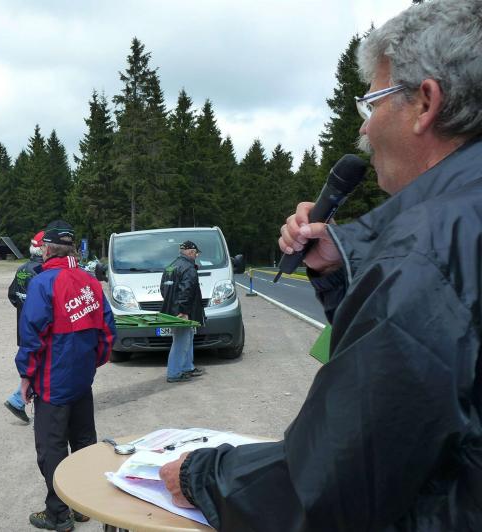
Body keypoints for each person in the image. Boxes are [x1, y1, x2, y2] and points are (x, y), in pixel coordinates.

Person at [160, 1, 482, 529]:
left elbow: (334, 480)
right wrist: (343, 265)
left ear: (426, 103)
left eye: (372, 104)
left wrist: (201, 475)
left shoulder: (425, 251)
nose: (365, 130)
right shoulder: (453, 231)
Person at [16, 220, 115, 531]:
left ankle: (59, 514)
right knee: (84, 441)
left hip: (53, 383)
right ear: (72, 249)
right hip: (82, 380)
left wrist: (26, 376)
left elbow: (32, 337)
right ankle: (82, 505)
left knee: (51, 448)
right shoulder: (90, 281)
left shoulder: (43, 283)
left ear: (46, 250)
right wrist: (91, 363)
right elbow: (108, 331)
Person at [4, 230, 45, 423]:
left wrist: (23, 309)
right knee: (42, 364)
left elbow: (12, 295)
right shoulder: (43, 272)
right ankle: (18, 400)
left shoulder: (21, 269)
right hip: (37, 328)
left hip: (23, 326)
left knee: (35, 364)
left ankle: (18, 400)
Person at [160, 240, 205, 383]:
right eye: (196, 253)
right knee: (181, 342)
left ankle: (187, 367)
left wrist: (174, 306)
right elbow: (187, 291)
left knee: (187, 338)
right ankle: (174, 373)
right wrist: (183, 311)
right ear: (191, 252)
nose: (196, 256)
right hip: (182, 312)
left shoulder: (170, 266)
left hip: (172, 310)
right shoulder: (189, 268)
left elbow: (163, 290)